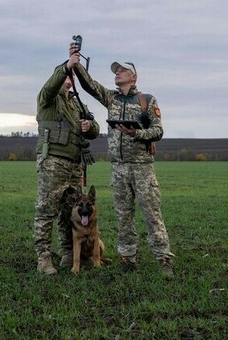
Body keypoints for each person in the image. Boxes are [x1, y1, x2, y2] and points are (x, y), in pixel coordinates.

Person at [68, 43, 175, 278]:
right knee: (123, 216)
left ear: (133, 76)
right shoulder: (112, 98)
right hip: (118, 168)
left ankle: (163, 259)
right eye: (115, 70)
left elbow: (158, 131)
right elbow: (90, 85)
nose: (117, 72)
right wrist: (75, 63)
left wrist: (137, 133)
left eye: (122, 70)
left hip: (142, 168)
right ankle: (128, 258)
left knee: (152, 215)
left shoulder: (147, 100)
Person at [34, 59, 100, 275]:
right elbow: (51, 85)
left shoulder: (77, 103)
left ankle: (68, 254)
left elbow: (95, 129)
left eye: (72, 78)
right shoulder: (48, 98)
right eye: (66, 76)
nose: (69, 81)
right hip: (53, 162)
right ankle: (44, 258)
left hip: (74, 164)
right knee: (46, 210)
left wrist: (90, 126)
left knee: (69, 212)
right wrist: (66, 67)